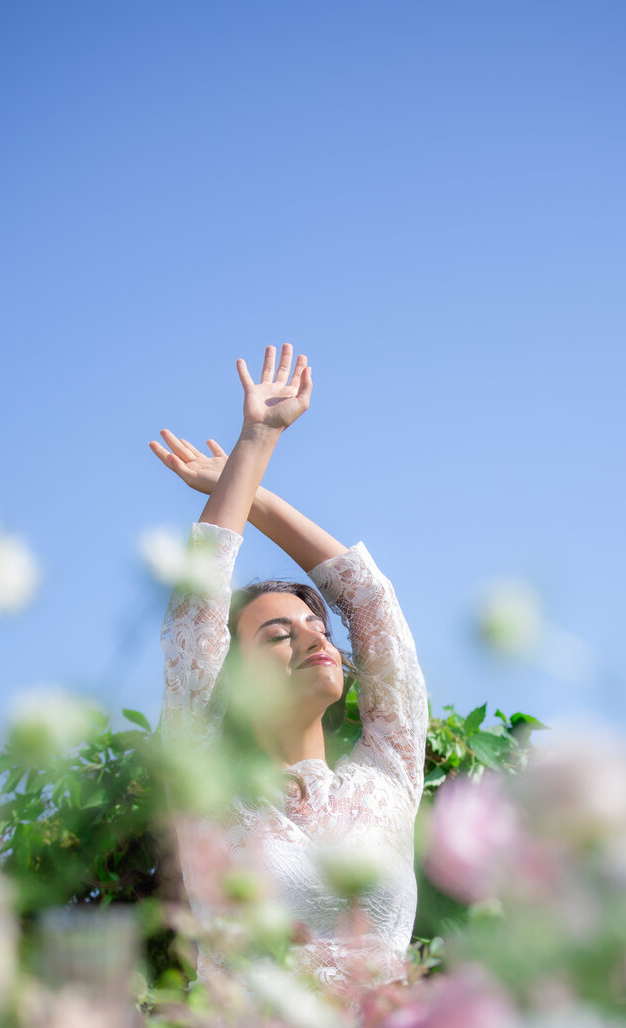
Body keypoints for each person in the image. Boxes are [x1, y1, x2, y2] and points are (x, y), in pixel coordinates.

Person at [148, 344, 428, 1002]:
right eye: (277, 633)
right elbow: (195, 616)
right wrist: (254, 442)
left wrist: (254, 494)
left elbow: (369, 603)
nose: (311, 637)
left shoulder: (386, 776)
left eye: (316, 629)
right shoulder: (209, 789)